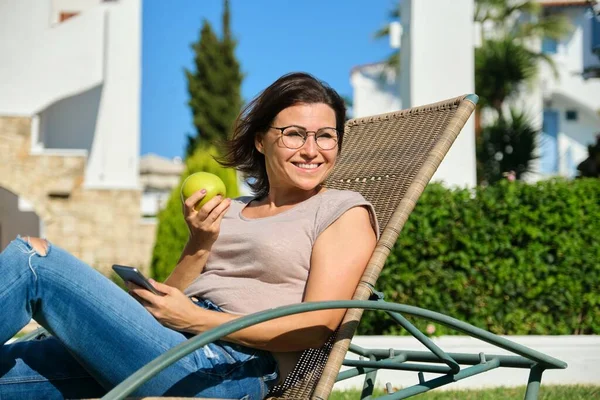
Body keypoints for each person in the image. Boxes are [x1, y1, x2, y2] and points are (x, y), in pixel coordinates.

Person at [0, 72, 379, 400]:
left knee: (34, 260)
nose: (312, 150)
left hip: (225, 366)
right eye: (294, 134)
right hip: (168, 347)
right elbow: (166, 304)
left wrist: (196, 320)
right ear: (261, 140)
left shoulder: (342, 211)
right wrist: (199, 243)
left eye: (326, 136)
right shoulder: (228, 208)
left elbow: (316, 326)